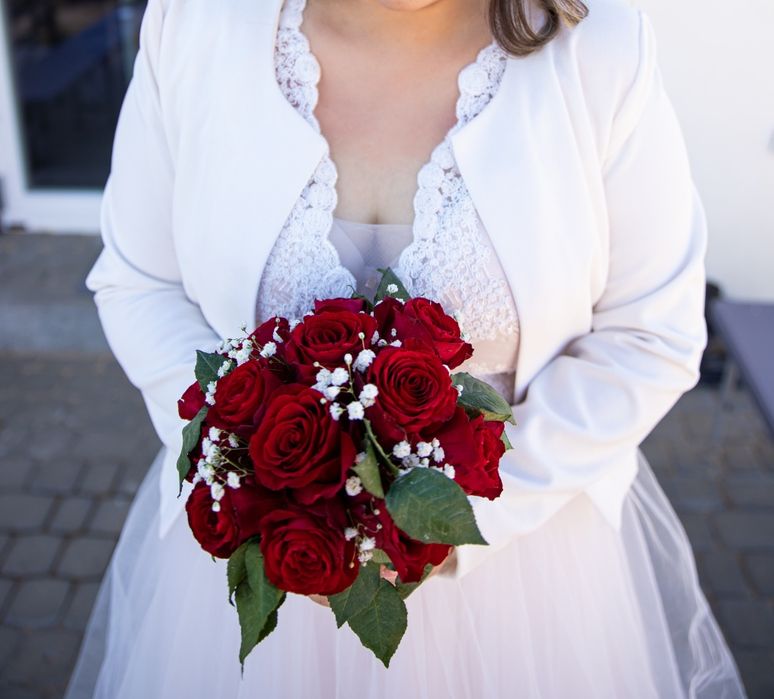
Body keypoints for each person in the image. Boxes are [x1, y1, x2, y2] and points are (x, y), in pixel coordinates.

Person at [65, 0, 748, 696]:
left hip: (522, 579)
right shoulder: (193, 25)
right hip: (268, 564)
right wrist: (246, 471)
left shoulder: (599, 45)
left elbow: (648, 335)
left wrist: (452, 523)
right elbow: (140, 283)